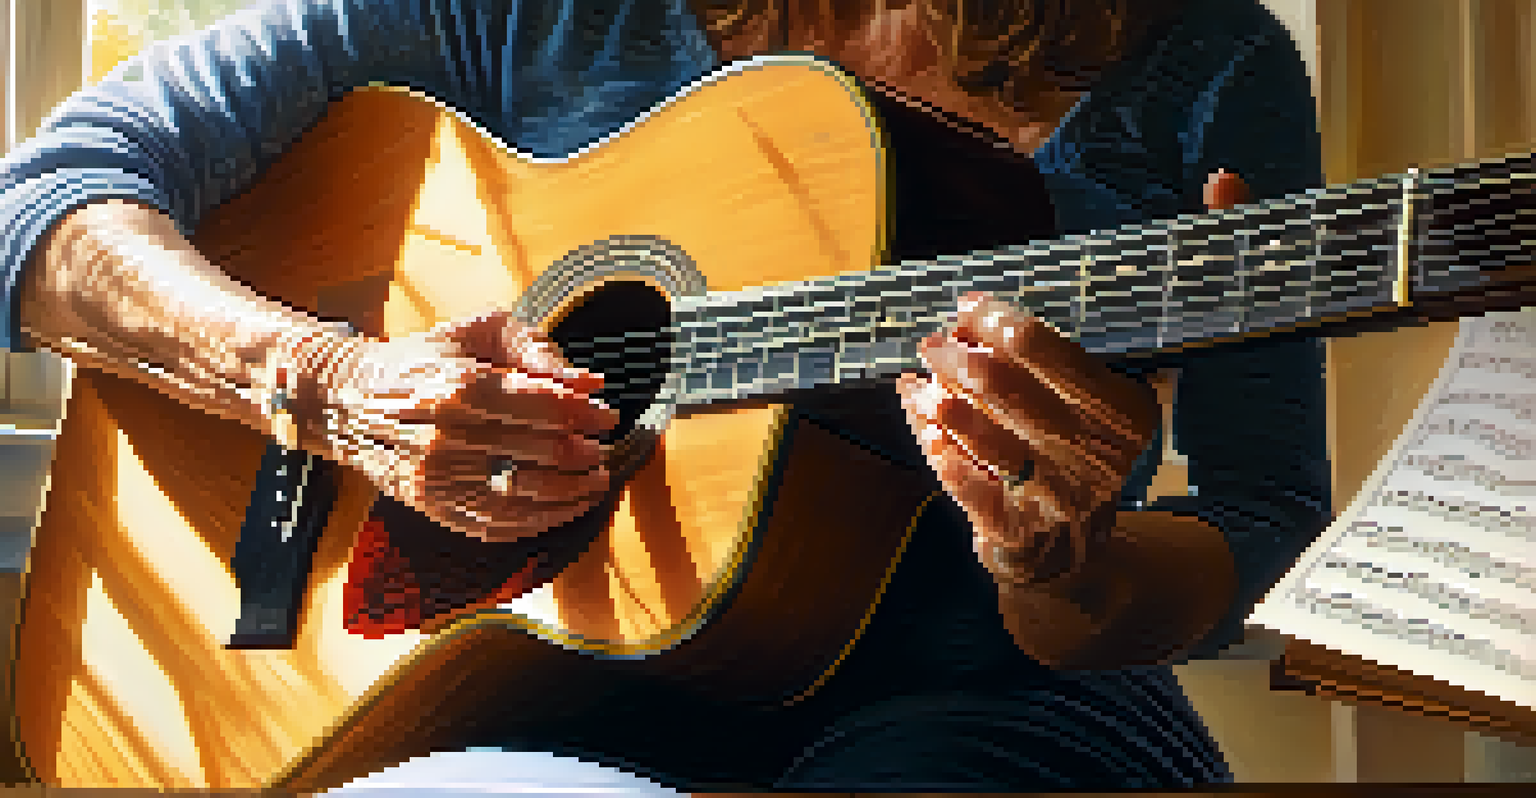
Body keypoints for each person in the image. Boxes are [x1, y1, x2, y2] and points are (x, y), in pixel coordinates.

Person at [0, 0, 1329, 790]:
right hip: (539, 690)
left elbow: (1259, 515)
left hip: (996, 693)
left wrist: (1064, 570)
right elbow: (47, 205)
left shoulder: (1204, 61)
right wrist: (328, 381)